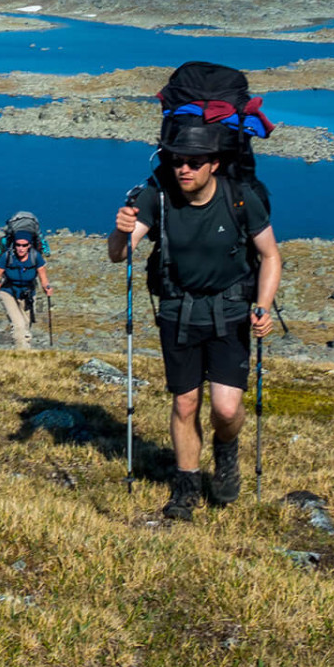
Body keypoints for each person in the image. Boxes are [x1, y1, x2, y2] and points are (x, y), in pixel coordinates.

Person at [109, 123, 282, 521]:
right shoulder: (157, 198)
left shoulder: (240, 199)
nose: (184, 169)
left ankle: (226, 451)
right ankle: (185, 488)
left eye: (194, 162)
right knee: (185, 402)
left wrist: (264, 306)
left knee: (225, 408)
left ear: (214, 164)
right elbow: (120, 255)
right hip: (178, 311)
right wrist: (119, 233)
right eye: (177, 161)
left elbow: (271, 256)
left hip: (231, 310)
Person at [0, 231, 51, 349]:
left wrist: (47, 288)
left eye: (24, 245)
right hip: (8, 292)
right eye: (18, 245)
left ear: (29, 245)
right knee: (19, 324)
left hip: (27, 293)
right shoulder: (7, 256)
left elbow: (43, 277)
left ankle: (25, 351)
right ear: (14, 244)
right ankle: (20, 354)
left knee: (26, 324)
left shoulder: (35, 256)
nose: (21, 248)